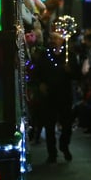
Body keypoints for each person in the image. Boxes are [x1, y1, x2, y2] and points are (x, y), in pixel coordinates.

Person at [27, 29, 78, 163]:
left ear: (62, 40)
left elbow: (78, 75)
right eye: (53, 38)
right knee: (49, 125)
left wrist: (70, 71)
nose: (55, 41)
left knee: (66, 124)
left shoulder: (69, 56)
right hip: (49, 96)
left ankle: (64, 145)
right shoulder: (44, 55)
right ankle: (52, 153)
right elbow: (36, 74)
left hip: (65, 95)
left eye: (58, 38)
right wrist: (41, 84)